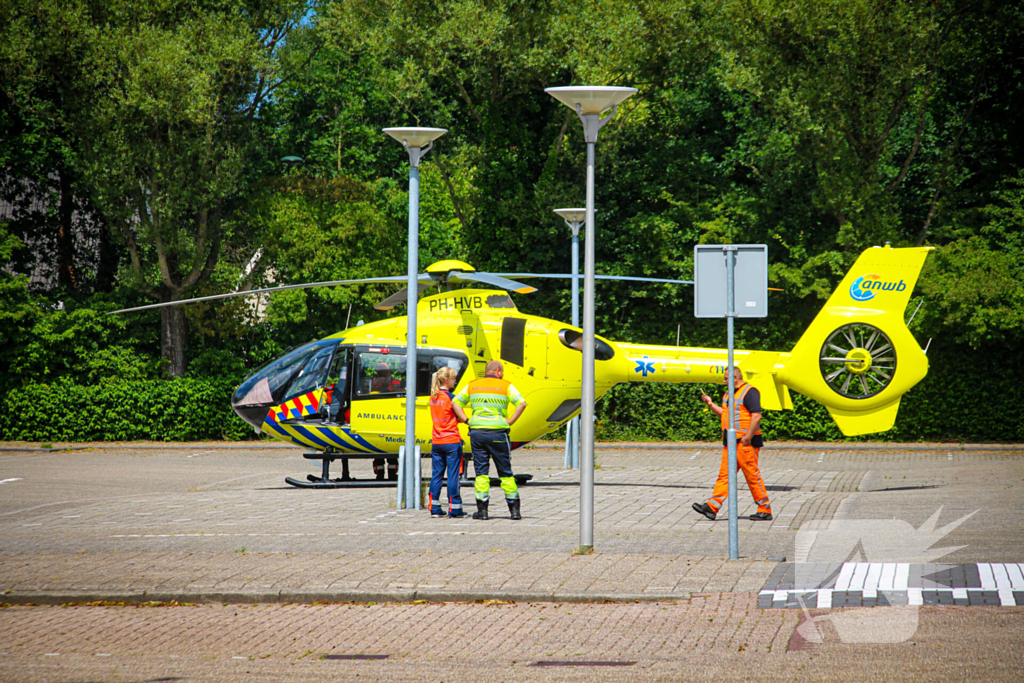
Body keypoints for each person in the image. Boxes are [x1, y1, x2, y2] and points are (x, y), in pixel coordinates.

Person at [692, 366, 773, 521]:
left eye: (726, 378)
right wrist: (710, 404)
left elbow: (756, 416)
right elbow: (725, 414)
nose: (723, 381)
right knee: (725, 475)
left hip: (745, 442)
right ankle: (712, 506)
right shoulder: (728, 394)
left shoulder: (750, 391)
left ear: (735, 378)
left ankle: (765, 509)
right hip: (731, 442)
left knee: (752, 476)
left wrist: (748, 437)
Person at [451, 360, 527, 520]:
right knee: (505, 472)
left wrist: (466, 420)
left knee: (481, 473)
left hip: (477, 432)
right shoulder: (506, 385)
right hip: (498, 433)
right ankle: (514, 511)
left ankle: (482, 511)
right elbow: (522, 403)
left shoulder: (473, 385)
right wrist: (511, 420)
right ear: (498, 372)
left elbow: (455, 402)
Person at [428, 366, 466, 518]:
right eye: (454, 378)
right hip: (451, 440)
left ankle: (434, 507)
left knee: (436, 475)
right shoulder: (451, 397)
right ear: (446, 380)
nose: (455, 381)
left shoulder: (433, 396)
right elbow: (461, 417)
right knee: (453, 475)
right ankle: (455, 509)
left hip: (437, 441)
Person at [370, 361, 402, 480]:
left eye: (383, 372)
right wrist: (377, 384)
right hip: (377, 417)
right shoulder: (374, 382)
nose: (382, 375)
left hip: (392, 417)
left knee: (392, 450)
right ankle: (379, 474)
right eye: (380, 373)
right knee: (378, 450)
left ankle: (392, 474)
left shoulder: (396, 383)